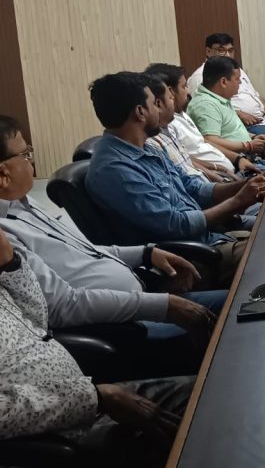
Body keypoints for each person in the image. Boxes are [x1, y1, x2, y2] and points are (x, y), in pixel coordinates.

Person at [0, 225, 195, 468]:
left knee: (206, 400)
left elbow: (36, 321)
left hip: (85, 402)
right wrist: (94, 398)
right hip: (49, 441)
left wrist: (10, 265)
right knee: (198, 443)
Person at [0, 115, 225, 375]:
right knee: (232, 317)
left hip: (140, 297)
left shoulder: (23, 203)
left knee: (236, 302)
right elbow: (64, 305)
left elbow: (85, 251)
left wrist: (146, 254)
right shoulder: (6, 238)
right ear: (4, 173)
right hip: (120, 326)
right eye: (25, 155)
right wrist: (165, 306)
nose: (31, 161)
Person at [85, 72, 265, 285]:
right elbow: (175, 225)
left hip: (210, 238)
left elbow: (193, 188)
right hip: (188, 261)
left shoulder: (147, 148)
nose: (159, 109)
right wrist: (238, 201)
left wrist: (247, 184)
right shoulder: (115, 170)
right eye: (153, 104)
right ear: (140, 112)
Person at [186, 33, 265, 152]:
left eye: (230, 50)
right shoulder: (201, 81)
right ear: (208, 51)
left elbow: (254, 94)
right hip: (247, 127)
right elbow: (210, 138)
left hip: (262, 119)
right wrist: (247, 145)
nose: (227, 55)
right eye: (221, 51)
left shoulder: (234, 71)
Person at [187, 57, 265, 162]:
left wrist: (253, 138)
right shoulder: (205, 105)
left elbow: (229, 132)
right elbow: (211, 140)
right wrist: (247, 146)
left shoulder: (220, 97)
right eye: (237, 79)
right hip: (236, 164)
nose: (240, 82)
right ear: (223, 82)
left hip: (246, 158)